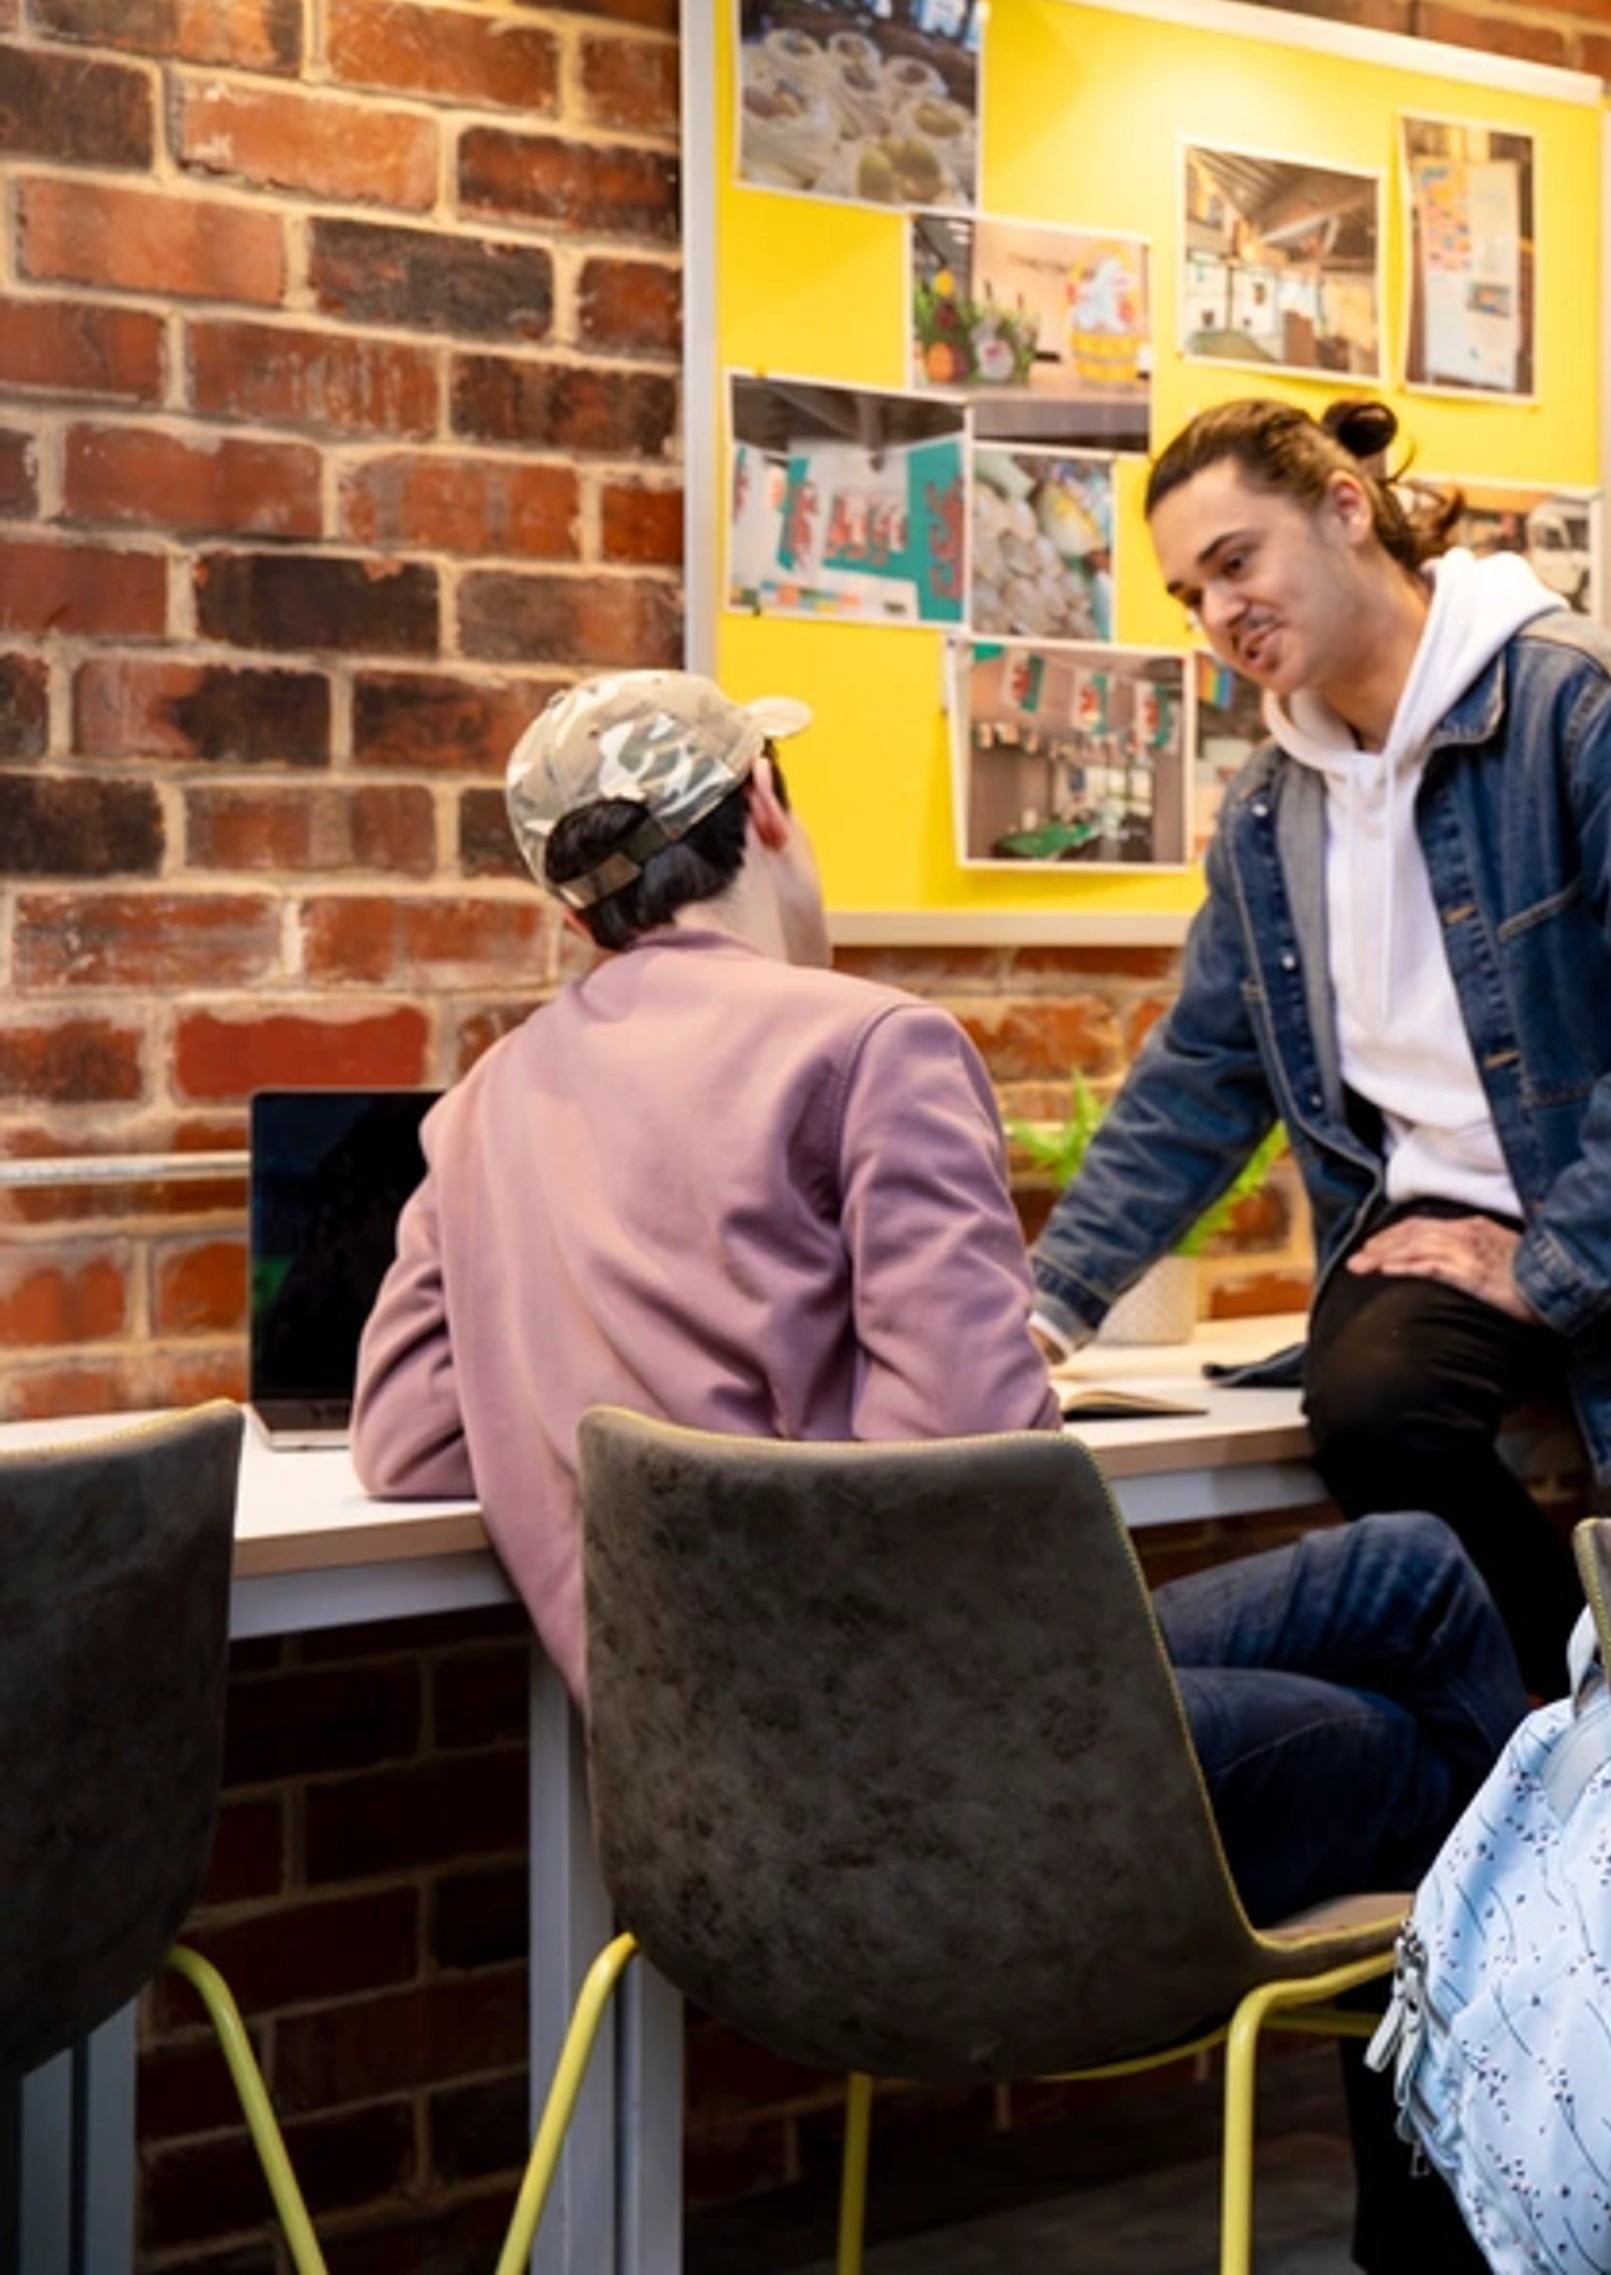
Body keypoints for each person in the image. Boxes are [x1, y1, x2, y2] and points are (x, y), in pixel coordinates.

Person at [349, 668, 1510, 2275]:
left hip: (715, 1838)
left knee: (1411, 1573)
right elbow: (979, 1478)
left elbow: (403, 1440)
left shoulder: (476, 1115)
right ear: (765, 807)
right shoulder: (868, 1045)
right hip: (966, 1802)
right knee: (1436, 1737)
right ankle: (1514, 2212)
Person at [1027, 396, 1611, 1699]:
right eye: (1189, 592)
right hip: (1435, 1233)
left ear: (1347, 511)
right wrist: (1045, 1308)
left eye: (1237, 561)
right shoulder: (1270, 809)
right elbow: (1204, 1074)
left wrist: (1559, 1261)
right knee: (1376, 1413)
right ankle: (1572, 1712)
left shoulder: (1588, 711)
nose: (1217, 615)